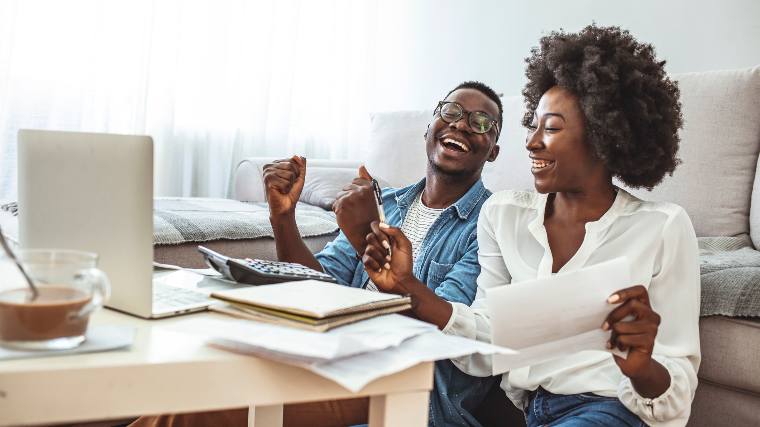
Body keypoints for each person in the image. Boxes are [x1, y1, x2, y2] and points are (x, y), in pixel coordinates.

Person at [362, 25, 699, 427]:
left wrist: (641, 367)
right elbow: (488, 347)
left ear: (604, 137)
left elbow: (676, 390)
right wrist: (408, 288)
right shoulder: (504, 216)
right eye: (533, 125)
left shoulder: (662, 227)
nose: (532, 142)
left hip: (613, 409)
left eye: (551, 128)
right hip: (531, 412)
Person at [131, 80, 504, 427]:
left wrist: (363, 239)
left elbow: (443, 331)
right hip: (331, 360)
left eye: (482, 122)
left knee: (201, 411)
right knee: (189, 380)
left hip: (406, 389)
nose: (462, 125)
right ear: (429, 127)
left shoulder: (490, 224)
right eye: (451, 112)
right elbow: (315, 284)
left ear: (494, 151)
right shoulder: (385, 202)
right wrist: (283, 217)